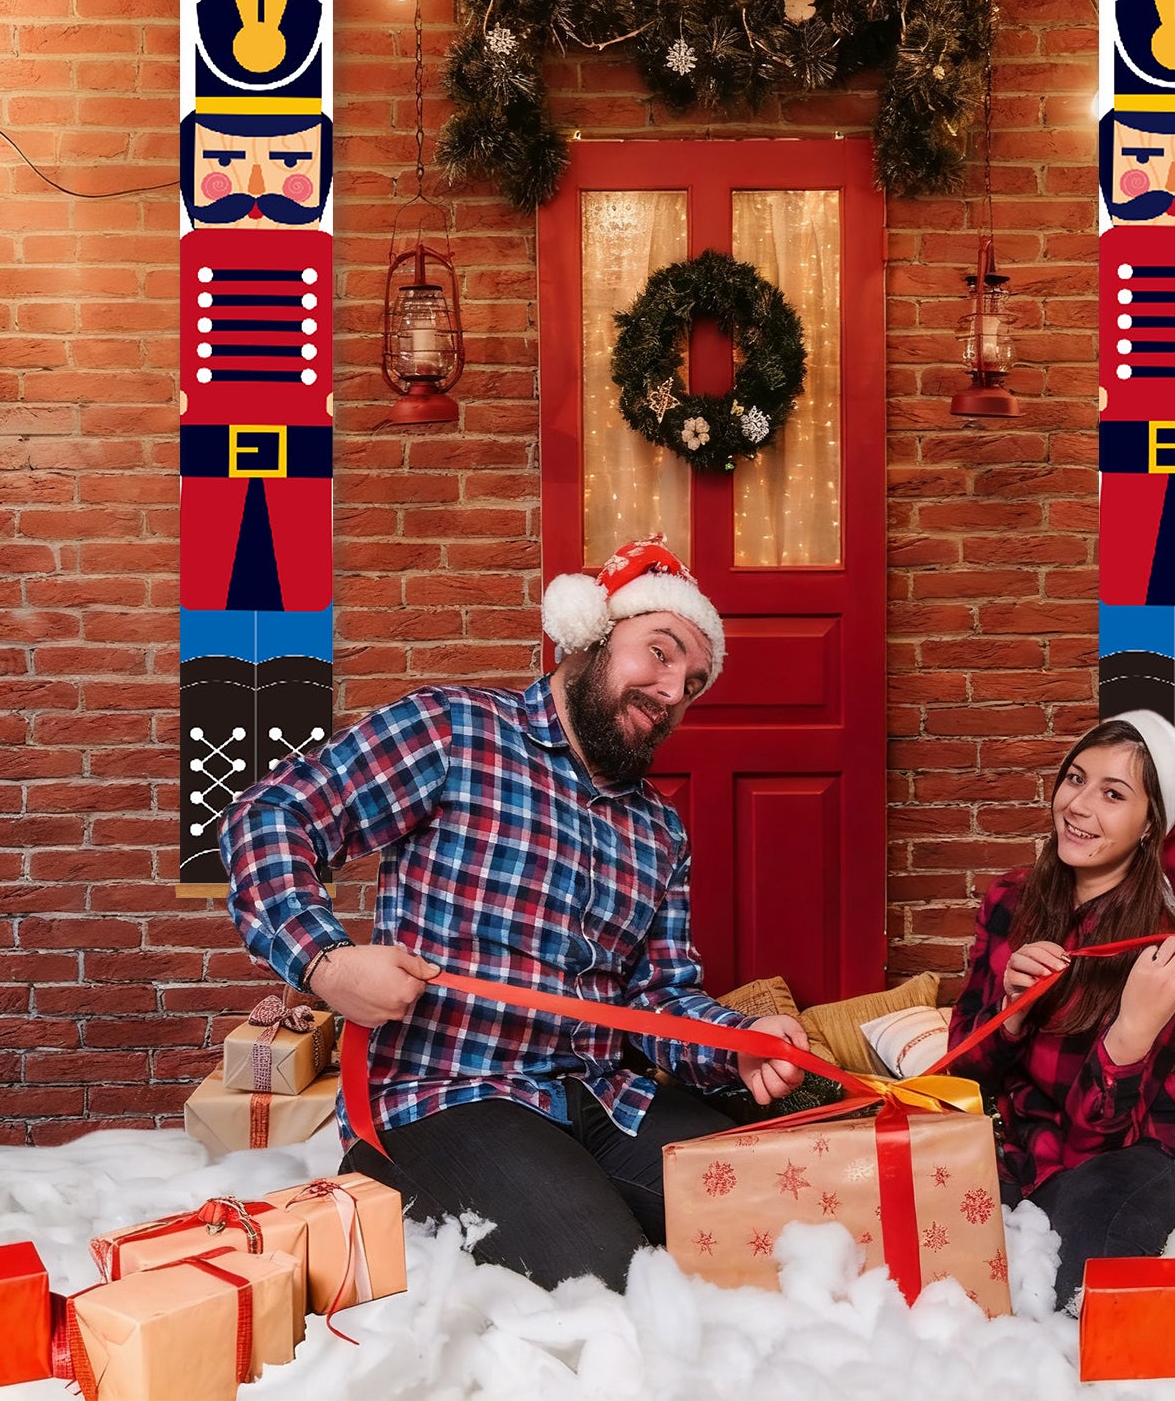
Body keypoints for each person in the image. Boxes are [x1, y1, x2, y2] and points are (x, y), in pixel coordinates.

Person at [221, 535, 807, 1292]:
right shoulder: (452, 731)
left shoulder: (659, 831)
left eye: (692, 683)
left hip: (601, 1097)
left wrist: (739, 1043)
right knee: (606, 1286)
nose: (672, 692)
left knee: (780, 1231)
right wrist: (325, 962)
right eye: (659, 654)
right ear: (593, 634)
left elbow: (660, 999)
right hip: (444, 1097)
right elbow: (271, 815)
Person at [945, 709, 1175, 1313]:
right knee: (950, 1279)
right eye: (1075, 779)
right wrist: (1011, 1010)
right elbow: (960, 1073)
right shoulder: (1011, 898)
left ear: (1150, 825)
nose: (1078, 805)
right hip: (1017, 1145)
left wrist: (1133, 1031)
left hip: (1127, 1153)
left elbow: (1100, 1132)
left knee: (1081, 1293)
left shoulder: (1164, 945)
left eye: (1112, 793)